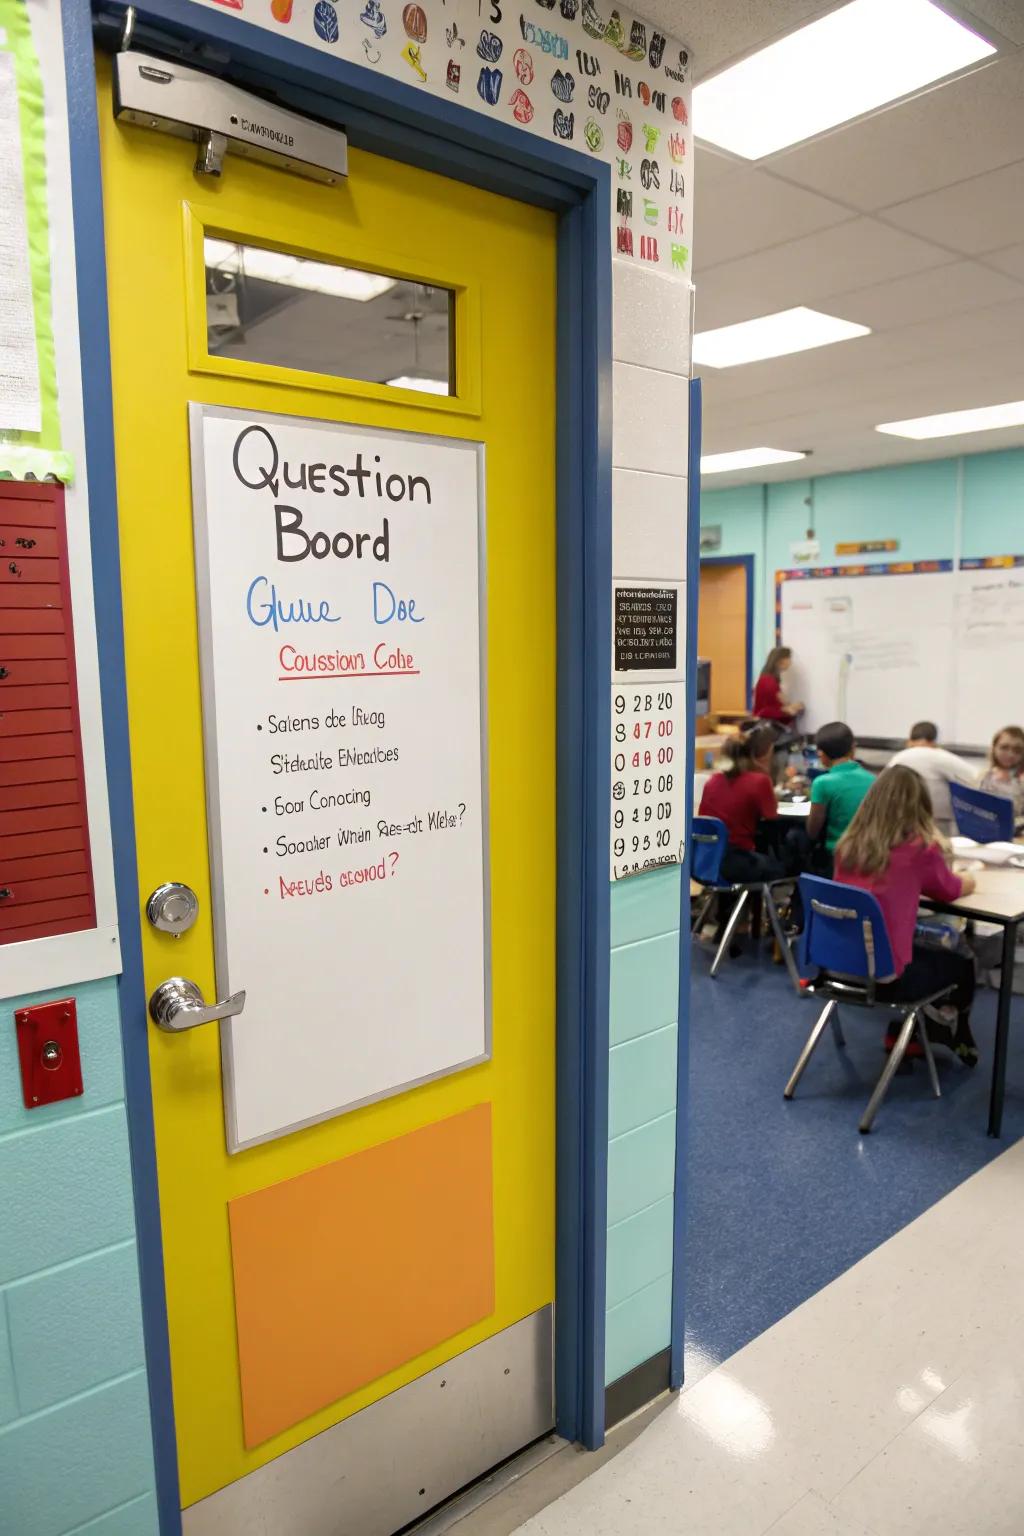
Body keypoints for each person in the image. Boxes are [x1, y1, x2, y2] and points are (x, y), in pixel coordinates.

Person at [834, 766, 978, 1066]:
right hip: (886, 976)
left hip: (836, 966)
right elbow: (949, 890)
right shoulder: (920, 849)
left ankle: (908, 1031)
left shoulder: (847, 845)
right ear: (920, 806)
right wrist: (970, 878)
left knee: (916, 944)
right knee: (963, 961)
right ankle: (943, 1026)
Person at [699, 724, 783, 884]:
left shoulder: (711, 781)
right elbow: (771, 816)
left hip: (705, 861)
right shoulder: (759, 781)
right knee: (779, 867)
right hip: (737, 862)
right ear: (752, 755)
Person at [806, 721, 875, 868]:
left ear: (821, 754)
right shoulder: (873, 779)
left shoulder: (822, 783)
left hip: (836, 855)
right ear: (853, 748)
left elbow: (813, 831)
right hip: (869, 854)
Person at [887, 721, 974, 834]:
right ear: (935, 742)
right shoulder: (941, 756)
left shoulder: (897, 758)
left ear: (909, 742)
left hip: (901, 819)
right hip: (937, 823)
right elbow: (976, 778)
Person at [977, 725, 1024, 821]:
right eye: (1004, 748)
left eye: (1017, 750)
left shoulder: (1021, 780)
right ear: (994, 748)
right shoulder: (984, 775)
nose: (1010, 754)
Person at [752, 646, 803, 727]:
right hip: (767, 728)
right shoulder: (768, 682)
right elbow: (765, 711)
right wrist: (787, 710)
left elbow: (774, 706)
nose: (790, 662)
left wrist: (789, 707)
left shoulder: (768, 680)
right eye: (788, 658)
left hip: (769, 726)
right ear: (780, 660)